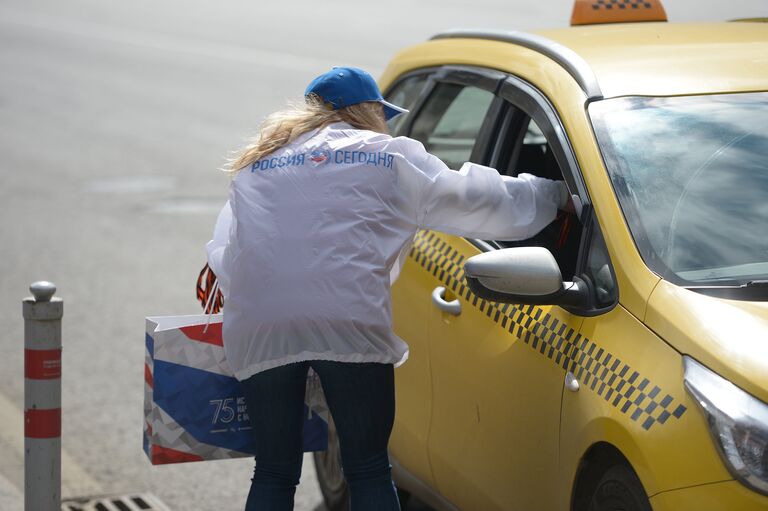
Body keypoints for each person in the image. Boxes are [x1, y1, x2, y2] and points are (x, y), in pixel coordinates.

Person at [206, 66, 570, 511]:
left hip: (262, 325)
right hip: (347, 320)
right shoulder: (388, 156)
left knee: (274, 471)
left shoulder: (258, 163)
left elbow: (227, 254)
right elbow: (475, 198)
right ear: (367, 111)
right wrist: (554, 195)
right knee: (368, 468)